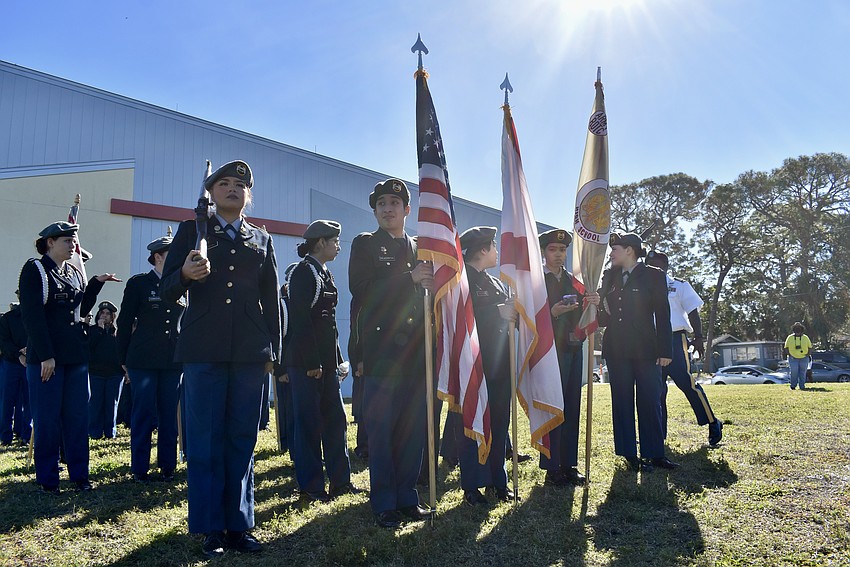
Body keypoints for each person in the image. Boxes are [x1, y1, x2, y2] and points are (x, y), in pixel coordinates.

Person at [160, 160, 281, 558]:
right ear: (210, 194)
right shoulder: (193, 232)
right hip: (204, 350)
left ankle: (240, 525)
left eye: (240, 185)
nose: (232, 189)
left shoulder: (261, 239)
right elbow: (165, 291)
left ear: (249, 195)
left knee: (242, 439)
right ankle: (211, 527)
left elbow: (270, 300)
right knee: (206, 438)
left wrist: (273, 352)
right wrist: (185, 276)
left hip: (249, 352)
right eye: (224, 183)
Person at [348, 178, 433, 529]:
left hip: (415, 352)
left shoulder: (419, 247)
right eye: (381, 204)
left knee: (412, 431)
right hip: (383, 352)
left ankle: (407, 498)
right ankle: (384, 502)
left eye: (394, 204)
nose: (387, 209)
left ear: (407, 210)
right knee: (382, 433)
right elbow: (362, 291)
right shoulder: (366, 244)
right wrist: (408, 279)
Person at [18, 221, 119, 493]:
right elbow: (33, 317)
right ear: (50, 242)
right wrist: (46, 355)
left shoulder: (73, 272)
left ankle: (79, 476)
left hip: (75, 356)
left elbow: (80, 309)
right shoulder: (35, 270)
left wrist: (95, 284)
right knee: (48, 419)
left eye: (74, 242)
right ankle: (48, 480)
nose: (73, 246)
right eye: (67, 241)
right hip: (48, 358)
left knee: (76, 418)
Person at [286, 220, 357, 503]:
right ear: (320, 243)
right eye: (334, 241)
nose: (338, 246)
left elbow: (328, 325)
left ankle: (340, 482)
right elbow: (300, 320)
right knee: (308, 424)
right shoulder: (304, 272)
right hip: (307, 364)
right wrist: (313, 362)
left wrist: (338, 361)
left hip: (326, 364)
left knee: (335, 422)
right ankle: (312, 487)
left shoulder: (323, 272)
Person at [597, 232, 676, 472]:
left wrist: (666, 350)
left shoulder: (654, 275)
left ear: (630, 250)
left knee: (650, 400)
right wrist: (596, 305)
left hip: (646, 348)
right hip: (616, 349)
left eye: (615, 249)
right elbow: (602, 318)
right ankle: (629, 453)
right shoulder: (609, 276)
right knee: (621, 401)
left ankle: (655, 453)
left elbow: (663, 314)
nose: (611, 254)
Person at [454, 226, 518, 505]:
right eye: (493, 247)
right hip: (474, 365)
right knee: (472, 422)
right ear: (482, 250)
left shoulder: (495, 282)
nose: (496, 253)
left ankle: (497, 481)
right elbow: (461, 317)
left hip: (499, 364)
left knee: (499, 423)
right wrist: (498, 312)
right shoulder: (460, 279)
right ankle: (472, 485)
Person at [117, 235, 184, 482]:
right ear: (157, 257)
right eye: (171, 255)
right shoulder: (139, 284)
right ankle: (139, 468)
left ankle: (167, 466)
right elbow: (124, 322)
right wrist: (122, 357)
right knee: (144, 414)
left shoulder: (181, 284)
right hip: (143, 360)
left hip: (172, 360)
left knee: (168, 415)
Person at [538, 229, 600, 487]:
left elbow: (590, 314)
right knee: (553, 408)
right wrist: (551, 312)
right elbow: (525, 321)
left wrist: (595, 301)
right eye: (553, 250)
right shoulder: (536, 282)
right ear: (543, 252)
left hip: (573, 350)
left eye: (562, 250)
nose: (558, 255)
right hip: (549, 353)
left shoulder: (576, 283)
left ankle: (569, 464)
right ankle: (552, 468)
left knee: (572, 407)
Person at [645, 251, 722, 446]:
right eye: (649, 264)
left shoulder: (678, 285)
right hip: (651, 342)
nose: (654, 268)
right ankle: (658, 435)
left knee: (687, 383)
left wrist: (698, 337)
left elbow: (693, 312)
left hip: (674, 339)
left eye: (657, 264)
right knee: (656, 390)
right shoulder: (642, 287)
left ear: (666, 266)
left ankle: (713, 422)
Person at [87, 301, 123, 439]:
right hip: (96, 373)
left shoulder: (117, 333)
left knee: (111, 404)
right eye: (102, 313)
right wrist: (100, 330)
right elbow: (90, 347)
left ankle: (110, 432)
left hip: (114, 374)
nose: (105, 316)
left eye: (108, 314)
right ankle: (94, 432)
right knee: (95, 404)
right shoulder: (92, 331)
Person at [0, 291, 31, 447]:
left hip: (30, 363)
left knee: (29, 402)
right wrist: (19, 352)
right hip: (11, 363)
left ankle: (26, 435)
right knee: (7, 401)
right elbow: (4, 342)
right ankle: (5, 436)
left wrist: (30, 350)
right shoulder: (8, 318)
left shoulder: (36, 316)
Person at [783, 322, 812, 391]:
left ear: (802, 329)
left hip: (804, 358)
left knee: (803, 373)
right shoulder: (790, 337)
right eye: (796, 328)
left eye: (799, 328)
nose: (798, 329)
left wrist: (807, 355)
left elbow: (810, 347)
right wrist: (789, 355)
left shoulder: (805, 337)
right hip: (793, 358)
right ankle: (793, 386)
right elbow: (786, 347)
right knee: (794, 372)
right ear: (793, 329)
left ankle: (802, 386)